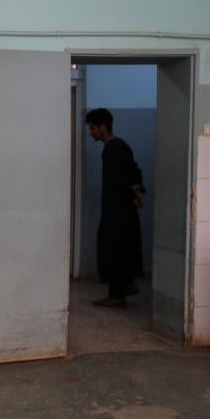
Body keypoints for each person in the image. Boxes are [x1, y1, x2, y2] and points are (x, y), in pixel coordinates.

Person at [85, 108, 145, 308]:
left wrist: (132, 194)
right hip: (123, 211)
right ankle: (124, 285)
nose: (91, 133)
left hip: (117, 212)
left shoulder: (112, 150)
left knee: (114, 250)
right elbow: (134, 172)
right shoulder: (121, 146)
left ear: (103, 127)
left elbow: (120, 181)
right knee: (122, 249)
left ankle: (117, 295)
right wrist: (136, 190)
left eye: (93, 128)